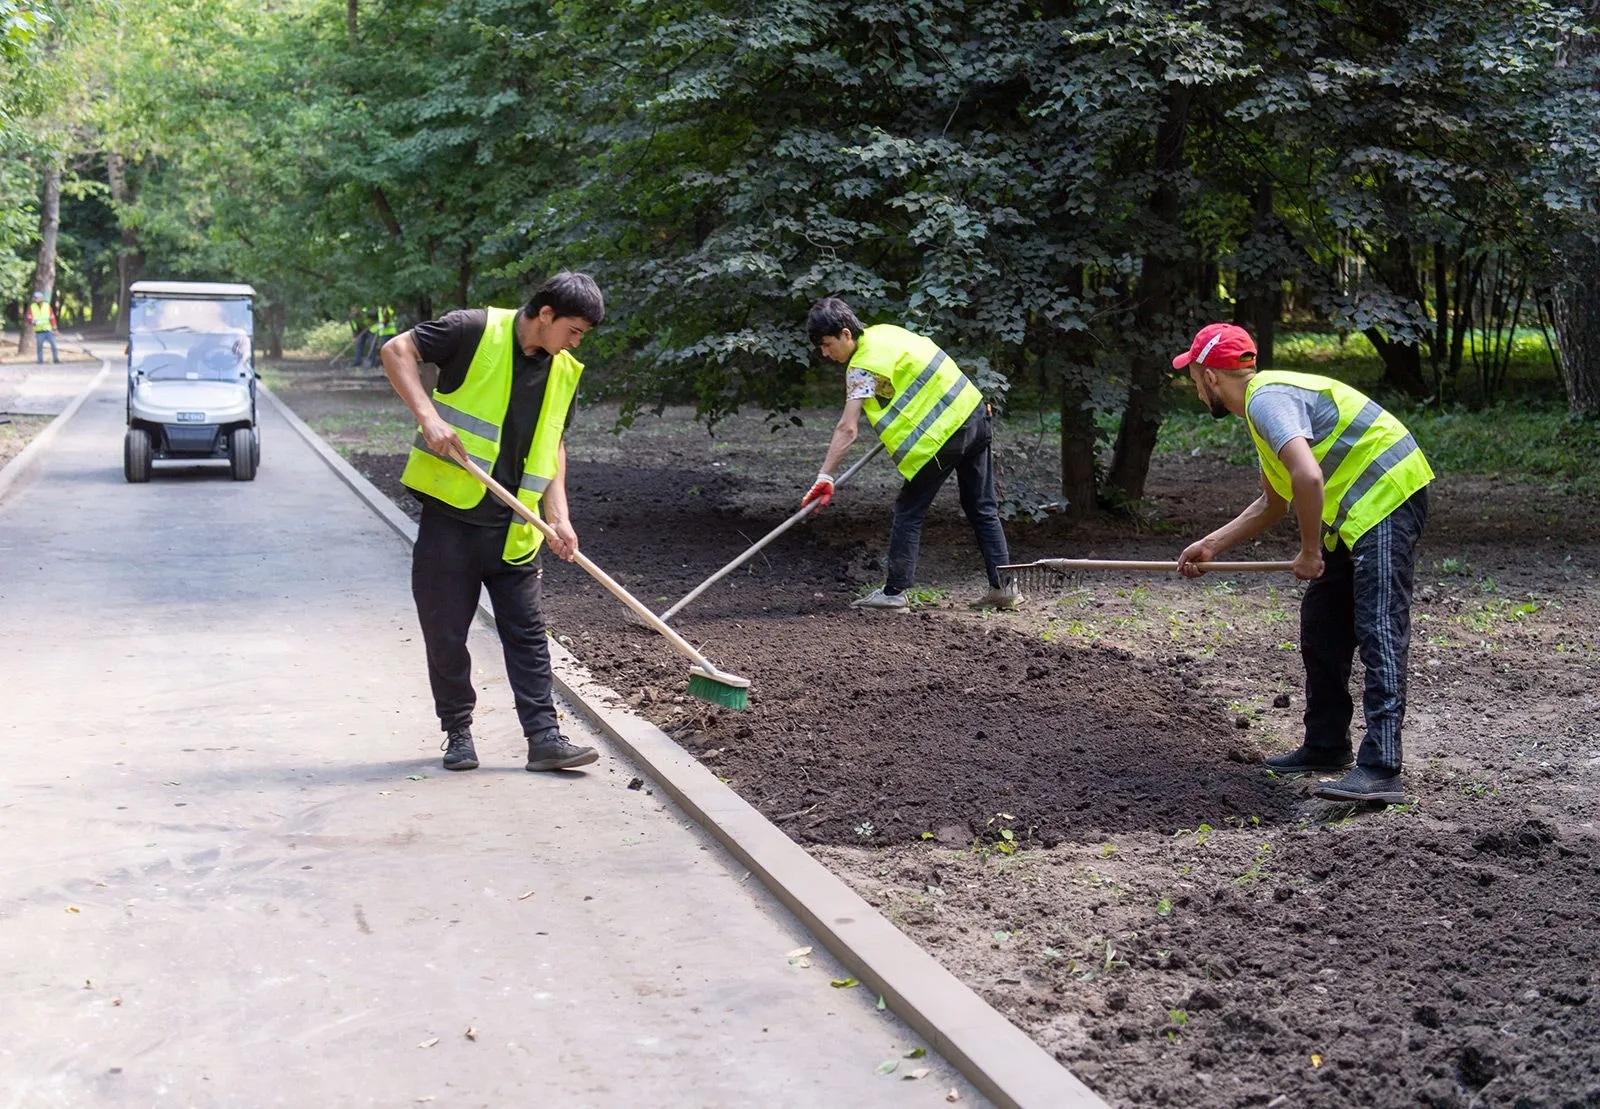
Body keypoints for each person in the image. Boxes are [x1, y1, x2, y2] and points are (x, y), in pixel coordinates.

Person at [1172, 323, 1434, 804]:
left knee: (1378, 626)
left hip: (1386, 496)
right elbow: (1273, 504)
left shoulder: (1265, 400)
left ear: (1209, 376)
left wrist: (1310, 551)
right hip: (1354, 514)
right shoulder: (1265, 409)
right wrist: (1211, 544)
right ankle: (1326, 745)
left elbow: (1308, 477)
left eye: (1192, 376)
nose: (1193, 387)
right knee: (1321, 625)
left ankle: (1381, 768)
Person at [380, 272, 605, 774]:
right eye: (574, 329)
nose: (575, 342)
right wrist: (427, 416)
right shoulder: (473, 329)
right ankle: (458, 732)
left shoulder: (563, 370)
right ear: (546, 313)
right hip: (451, 521)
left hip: (516, 527)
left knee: (527, 634)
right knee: (446, 634)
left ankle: (544, 738)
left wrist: (559, 515)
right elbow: (397, 350)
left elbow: (554, 444)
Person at [802, 297, 1021, 611]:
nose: (825, 353)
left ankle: (894, 593)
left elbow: (847, 428)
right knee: (981, 507)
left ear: (846, 334)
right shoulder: (887, 334)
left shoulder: (862, 367)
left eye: (826, 344)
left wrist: (825, 476)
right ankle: (1004, 589)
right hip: (975, 416)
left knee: (908, 510)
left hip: (943, 437)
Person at [29, 291, 59, 364]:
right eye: (35, 298)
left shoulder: (47, 306)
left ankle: (56, 359)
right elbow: (29, 317)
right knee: (39, 347)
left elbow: (52, 317)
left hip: (48, 330)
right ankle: (40, 361)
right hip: (39, 331)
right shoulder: (32, 307)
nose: (35, 299)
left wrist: (54, 328)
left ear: (41, 298)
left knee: (54, 345)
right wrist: (33, 321)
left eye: (37, 298)